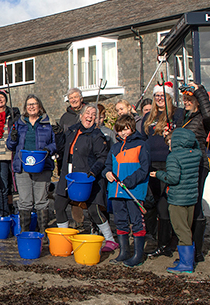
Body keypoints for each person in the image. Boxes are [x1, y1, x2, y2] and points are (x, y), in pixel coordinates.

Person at [54, 104, 117, 252]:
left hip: (88, 177)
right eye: (88, 113)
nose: (90, 116)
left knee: (94, 211)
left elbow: (103, 157)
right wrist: (58, 135)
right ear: (81, 116)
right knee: (59, 205)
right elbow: (62, 149)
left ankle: (110, 240)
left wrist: (94, 172)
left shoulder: (97, 135)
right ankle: (65, 240)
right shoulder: (72, 130)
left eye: (94, 114)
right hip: (69, 175)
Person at [140, 82, 185, 258]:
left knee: (165, 203)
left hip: (169, 162)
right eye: (157, 96)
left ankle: (168, 240)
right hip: (151, 163)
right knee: (151, 201)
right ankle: (154, 236)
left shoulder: (177, 114)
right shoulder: (148, 116)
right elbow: (143, 138)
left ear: (169, 97)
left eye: (162, 96)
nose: (159, 99)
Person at [150, 128, 201, 273]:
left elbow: (172, 178)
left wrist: (159, 174)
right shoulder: (196, 154)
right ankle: (188, 259)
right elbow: (197, 146)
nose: (169, 146)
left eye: (170, 142)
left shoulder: (174, 157)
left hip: (177, 199)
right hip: (191, 197)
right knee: (187, 227)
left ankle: (186, 264)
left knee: (181, 230)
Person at [176, 83, 210, 262]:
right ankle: (187, 246)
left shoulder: (203, 118)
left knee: (196, 205)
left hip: (198, 164)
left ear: (198, 102)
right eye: (184, 99)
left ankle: (198, 251)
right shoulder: (183, 118)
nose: (186, 102)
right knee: (185, 205)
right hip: (183, 165)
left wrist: (199, 90)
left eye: (189, 100)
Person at [103, 115, 150, 267]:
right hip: (116, 191)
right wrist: (107, 173)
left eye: (126, 129)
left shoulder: (141, 145)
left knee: (137, 222)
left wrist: (129, 181)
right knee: (120, 221)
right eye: (120, 130)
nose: (123, 133)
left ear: (132, 128)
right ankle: (124, 252)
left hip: (134, 190)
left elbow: (144, 169)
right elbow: (108, 165)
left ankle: (138, 255)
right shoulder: (115, 147)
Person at [6, 95, 56, 234]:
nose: (31, 107)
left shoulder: (47, 124)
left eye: (34, 104)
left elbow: (55, 144)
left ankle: (43, 233)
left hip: (42, 166)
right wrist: (13, 138)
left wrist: (48, 149)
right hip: (23, 167)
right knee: (25, 201)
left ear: (39, 106)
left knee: (41, 201)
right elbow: (10, 146)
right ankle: (25, 233)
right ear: (25, 108)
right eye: (29, 104)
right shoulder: (19, 124)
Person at [56, 87, 87, 227]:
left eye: (76, 97)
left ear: (81, 98)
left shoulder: (87, 113)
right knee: (68, 189)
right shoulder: (65, 117)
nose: (73, 100)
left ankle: (80, 221)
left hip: (83, 158)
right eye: (71, 98)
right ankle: (70, 222)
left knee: (80, 190)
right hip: (67, 158)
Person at [0, 89, 20, 217]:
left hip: (12, 154)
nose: (0, 100)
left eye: (2, 97)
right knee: (3, 185)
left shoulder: (12, 114)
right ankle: (4, 213)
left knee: (13, 184)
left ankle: (11, 209)